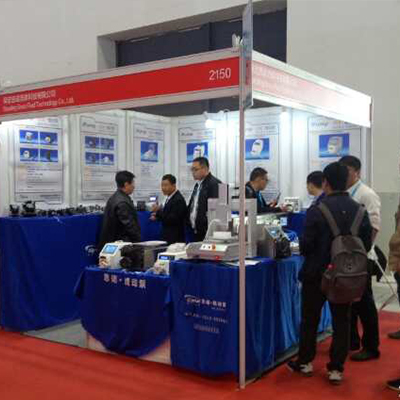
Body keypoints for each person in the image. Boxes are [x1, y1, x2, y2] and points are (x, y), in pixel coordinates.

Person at [287, 162, 372, 385]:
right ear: (347, 181)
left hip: (316, 274)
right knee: (342, 320)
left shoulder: (317, 210)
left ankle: (305, 362)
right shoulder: (359, 210)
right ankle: (336, 368)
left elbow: (306, 245)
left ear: (325, 182)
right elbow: (365, 244)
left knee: (310, 319)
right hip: (345, 274)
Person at [339, 155, 381, 361]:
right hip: (345, 257)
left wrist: (362, 252)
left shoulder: (367, 194)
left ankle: (371, 346)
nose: (344, 175)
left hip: (362, 256)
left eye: (347, 171)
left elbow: (374, 227)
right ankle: (352, 340)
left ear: (357, 172)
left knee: (365, 303)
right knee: (349, 302)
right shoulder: (343, 192)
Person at [98, 170, 141, 250]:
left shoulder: (115, 198)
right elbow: (129, 226)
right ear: (126, 184)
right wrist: (138, 241)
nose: (134, 186)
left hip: (113, 243)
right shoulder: (122, 203)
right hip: (121, 245)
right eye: (132, 183)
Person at [187, 157, 221, 242]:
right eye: (192, 170)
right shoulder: (198, 185)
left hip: (208, 232)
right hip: (196, 231)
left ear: (205, 169)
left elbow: (217, 211)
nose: (193, 172)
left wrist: (205, 225)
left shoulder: (215, 184)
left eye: (195, 169)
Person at [151, 174, 187, 244]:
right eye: (162, 185)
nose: (163, 188)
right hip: (168, 236)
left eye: (166, 185)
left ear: (174, 186)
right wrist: (157, 216)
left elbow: (173, 219)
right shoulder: (169, 197)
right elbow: (167, 215)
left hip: (175, 238)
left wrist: (158, 211)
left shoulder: (178, 199)